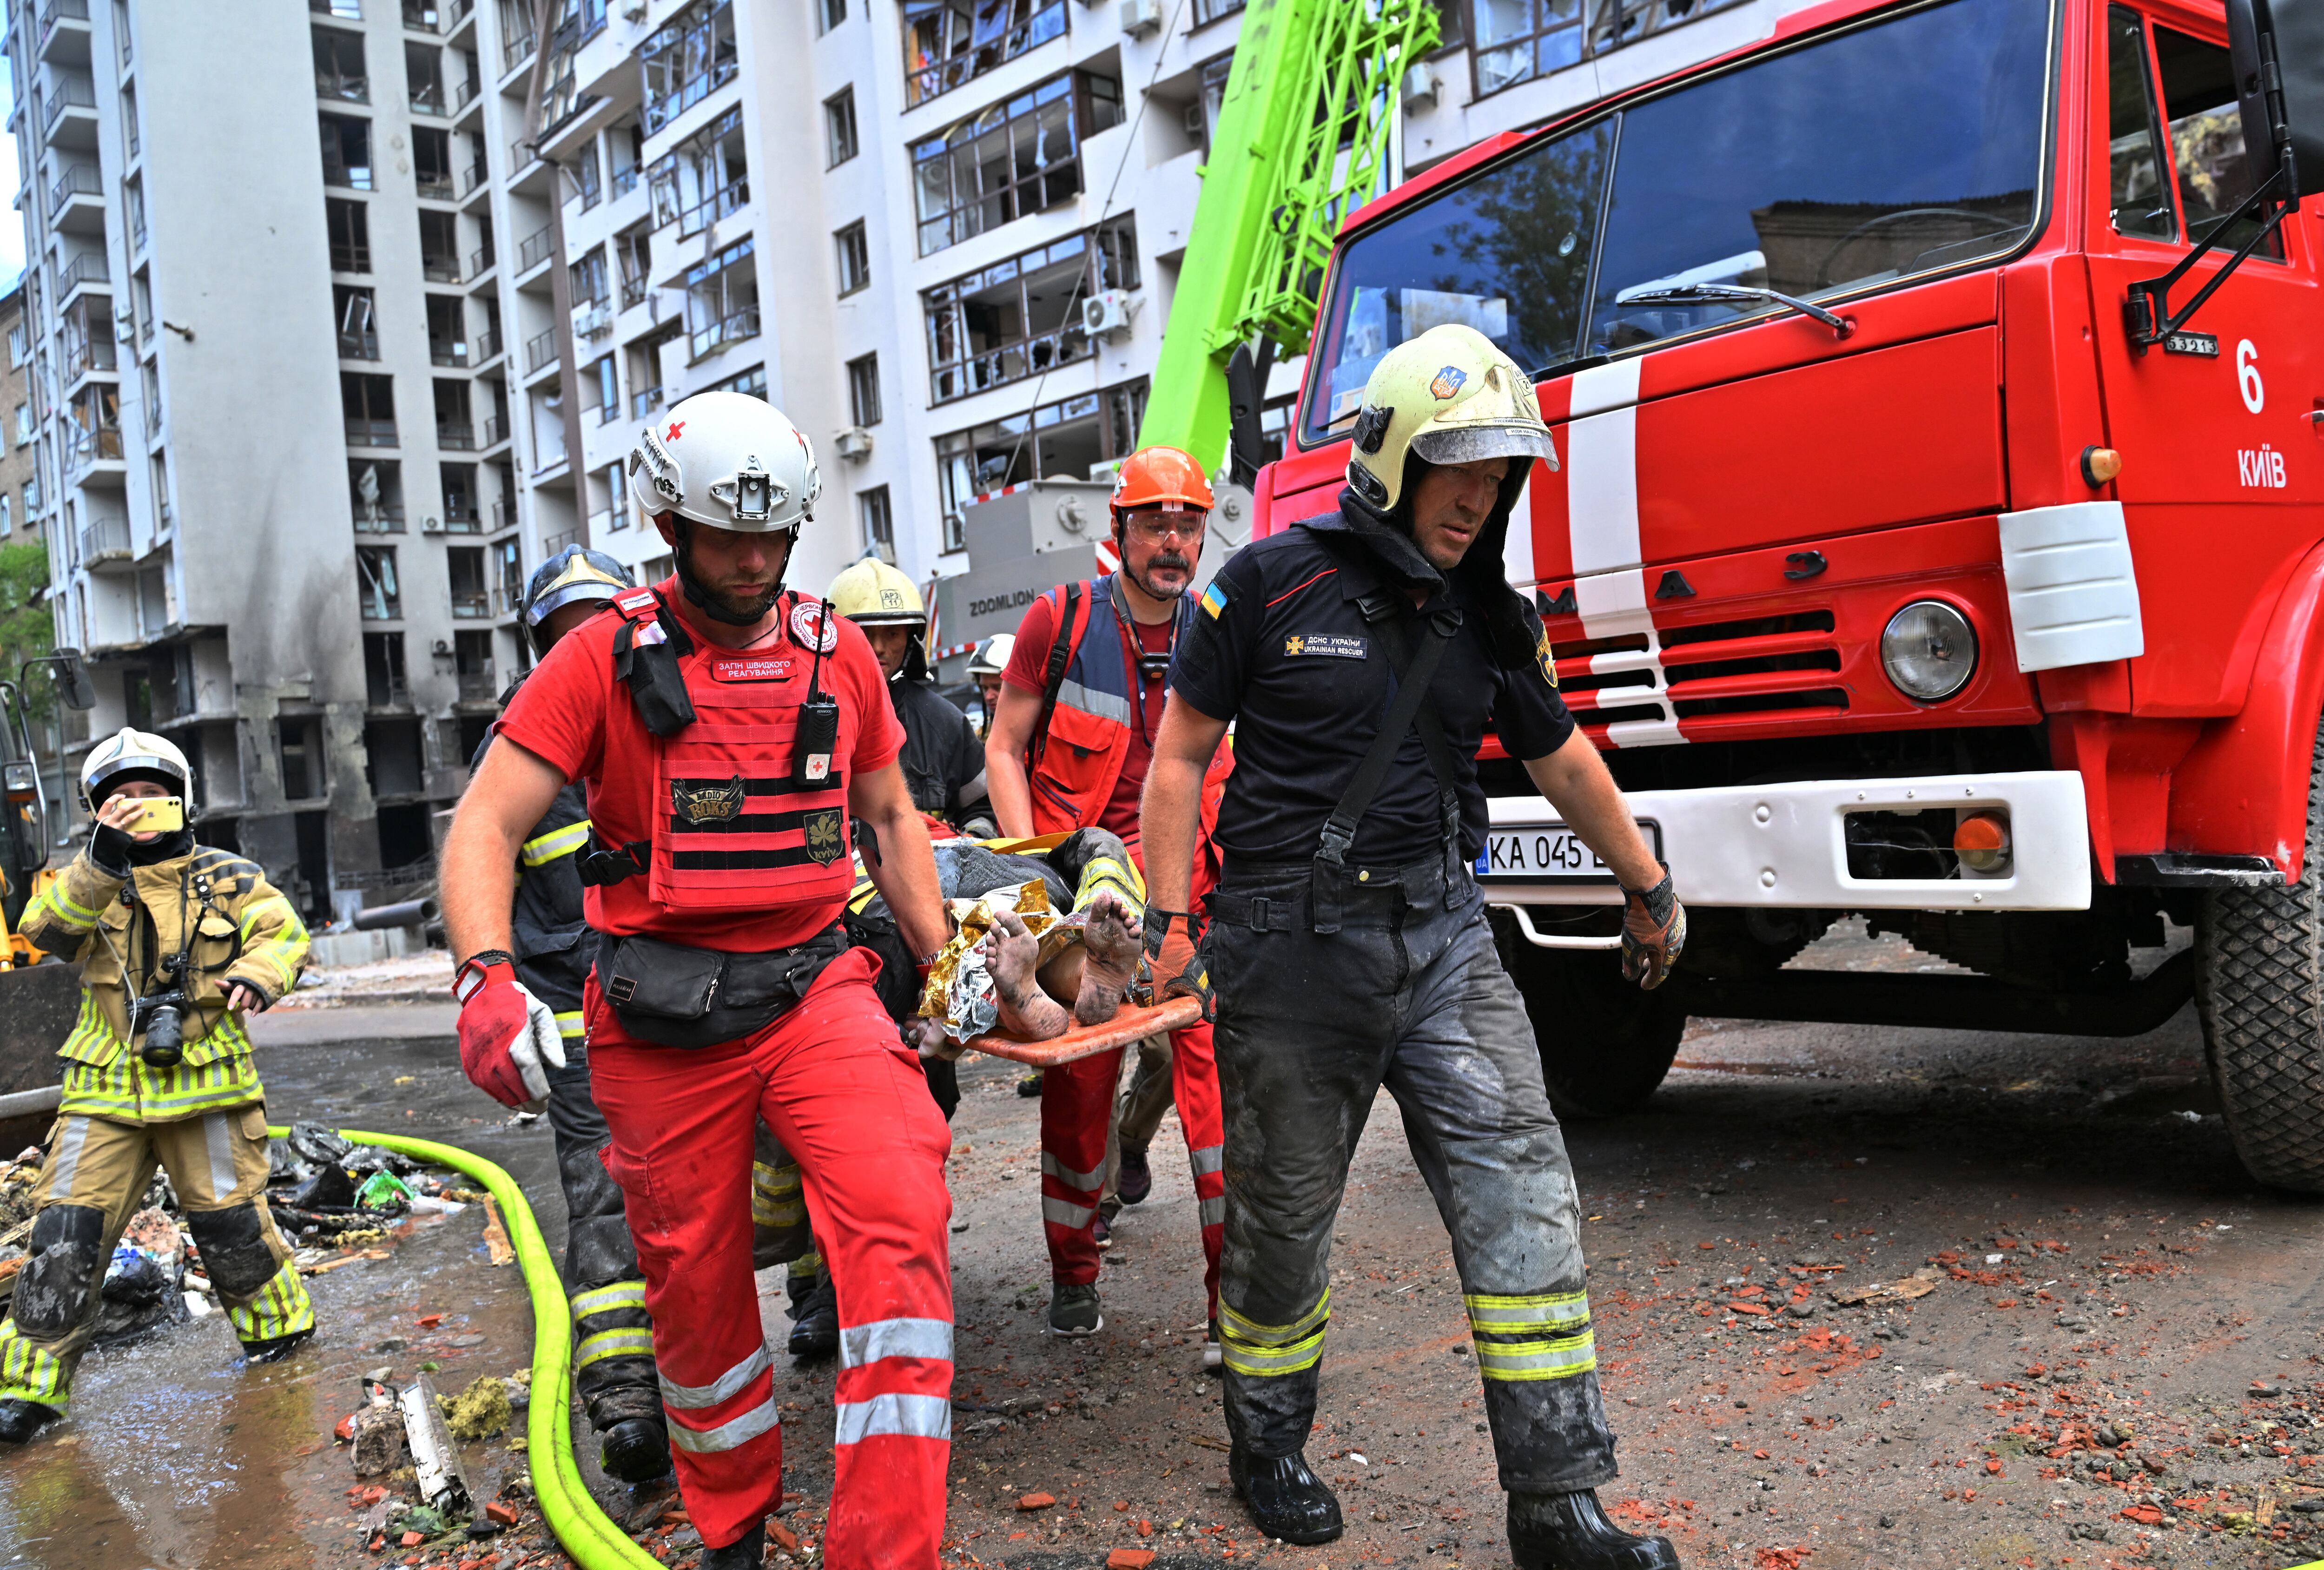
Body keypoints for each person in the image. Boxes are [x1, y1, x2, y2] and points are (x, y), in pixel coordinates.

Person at [1140, 323, 1689, 1568]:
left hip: (1445, 940)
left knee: (1526, 1201)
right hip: (1287, 956)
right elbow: (1178, 758)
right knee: (1282, 1225)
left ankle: (1558, 1502)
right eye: (1463, 469)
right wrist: (1173, 923)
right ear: (1389, 460)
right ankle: (1268, 1436)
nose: (1484, 495)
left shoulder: (1495, 619)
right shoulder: (1264, 583)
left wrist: (1649, 886)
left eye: (1502, 474)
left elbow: (1561, 758)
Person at [441, 391, 957, 1570]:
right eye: (728, 538)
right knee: (696, 1290)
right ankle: (731, 1525)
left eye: (774, 537)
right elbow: (486, 822)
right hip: (661, 1021)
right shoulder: (598, 661)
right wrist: (484, 975)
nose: (753, 561)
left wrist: (943, 956)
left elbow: (888, 812)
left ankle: (885, 1554)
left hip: (816, 991)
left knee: (902, 1215)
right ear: (669, 526)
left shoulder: (834, 650)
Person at [984, 445, 1234, 1343]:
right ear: (1118, 530)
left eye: (1189, 521)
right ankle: (1074, 1274)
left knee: (1220, 1111)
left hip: (1194, 910)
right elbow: (1005, 747)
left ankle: (1228, 1306)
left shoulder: (1221, 626)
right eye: (1154, 521)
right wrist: (1029, 874)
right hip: (1088, 912)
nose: (1173, 539)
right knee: (1080, 1093)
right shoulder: (1062, 619)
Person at [0, 729, 314, 1444]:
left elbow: (284, 931)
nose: (136, 807)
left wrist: (258, 975)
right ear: (95, 810)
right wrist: (102, 863)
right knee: (64, 1233)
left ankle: (282, 1338)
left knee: (233, 1224)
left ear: (182, 800)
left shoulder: (228, 874)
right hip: (104, 1090)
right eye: (119, 799)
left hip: (208, 1083)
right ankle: (29, 1391)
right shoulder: (84, 882)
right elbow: (44, 930)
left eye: (150, 794)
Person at [467, 543, 679, 1483]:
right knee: (604, 1193)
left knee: (745, 1169)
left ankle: (808, 1308)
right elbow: (486, 866)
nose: (581, 644)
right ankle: (628, 1399)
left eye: (596, 622)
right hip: (580, 1018)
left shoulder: (673, 709)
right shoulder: (516, 744)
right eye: (563, 631)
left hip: (688, 998)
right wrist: (493, 986)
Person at [827, 554, 992, 837]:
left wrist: (971, 844)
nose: (878, 647)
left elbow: (983, 809)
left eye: (892, 634)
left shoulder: (945, 723)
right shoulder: (811, 717)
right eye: (864, 634)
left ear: (910, 639)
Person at [966, 633, 1013, 737]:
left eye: (997, 687)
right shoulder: (982, 736)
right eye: (985, 688)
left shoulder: (1040, 735)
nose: (988, 697)